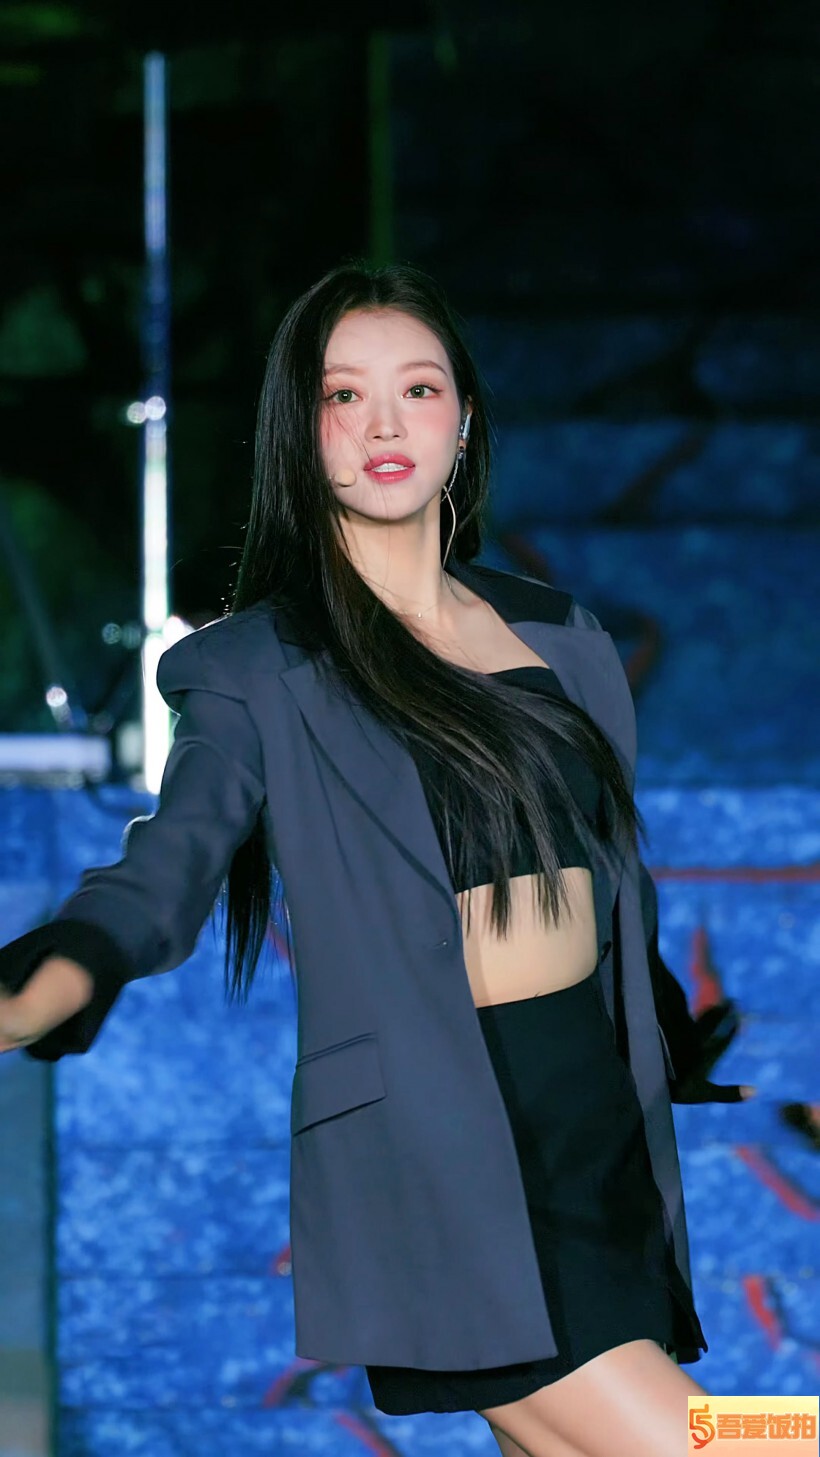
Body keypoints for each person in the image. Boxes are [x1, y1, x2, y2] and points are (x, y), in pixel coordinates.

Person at [0, 261, 754, 1457]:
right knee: (740, 1441)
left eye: (418, 388)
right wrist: (46, 980)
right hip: (451, 1151)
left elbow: (611, 887)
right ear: (299, 434)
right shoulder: (256, 666)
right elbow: (161, 873)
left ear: (464, 419)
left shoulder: (563, 636)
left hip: (596, 1135)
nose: (385, 423)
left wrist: (667, 1036)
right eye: (343, 395)